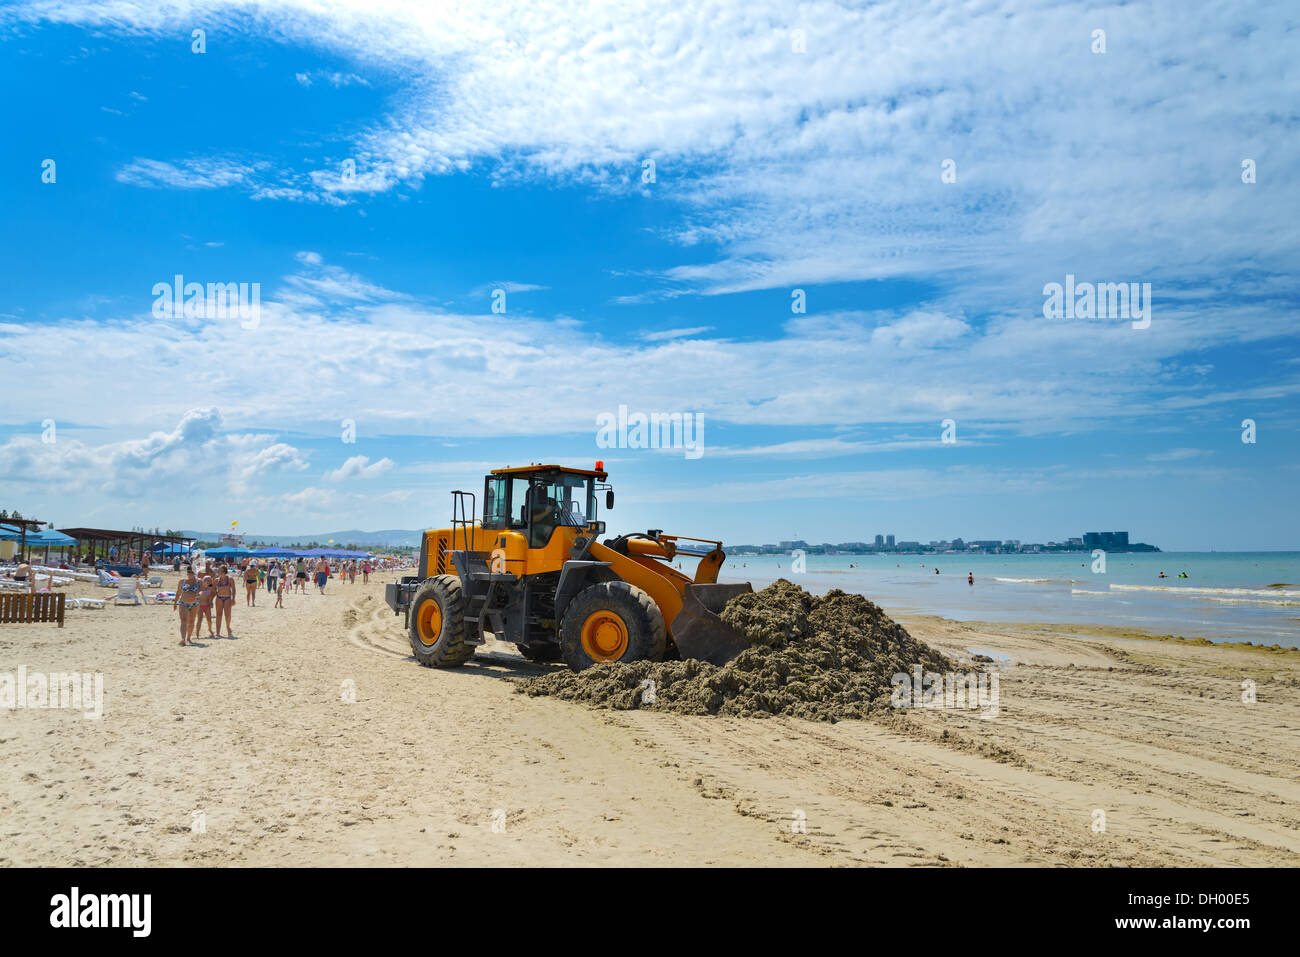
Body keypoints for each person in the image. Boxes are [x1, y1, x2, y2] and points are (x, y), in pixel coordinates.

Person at [173, 566, 201, 646]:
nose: (189, 573)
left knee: (191, 621)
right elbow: (178, 592)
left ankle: (188, 638)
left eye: (191, 572)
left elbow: (203, 590)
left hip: (194, 604)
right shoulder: (182, 581)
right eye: (188, 571)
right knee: (184, 620)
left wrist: (199, 594)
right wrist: (175, 603)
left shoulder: (198, 582)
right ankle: (183, 639)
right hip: (183, 603)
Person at [214, 566, 235, 637]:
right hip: (219, 598)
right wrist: (210, 600)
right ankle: (218, 632)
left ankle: (228, 627)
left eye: (219, 570)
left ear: (223, 571)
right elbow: (213, 590)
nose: (218, 571)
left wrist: (233, 599)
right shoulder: (216, 580)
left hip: (227, 598)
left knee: (227, 615)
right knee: (218, 615)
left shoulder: (230, 579)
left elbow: (234, 590)